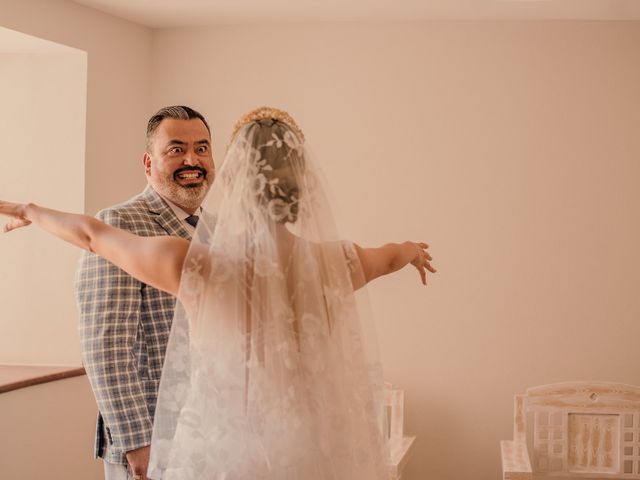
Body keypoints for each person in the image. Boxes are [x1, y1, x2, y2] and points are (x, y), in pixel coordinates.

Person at [0, 106, 435, 480]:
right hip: (306, 448)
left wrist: (28, 211)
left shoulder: (198, 265)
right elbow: (390, 255)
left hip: (223, 453)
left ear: (235, 181)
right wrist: (413, 250)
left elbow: (92, 236)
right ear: (303, 186)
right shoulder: (339, 262)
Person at [74, 105, 214, 480]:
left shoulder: (221, 229)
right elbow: (105, 343)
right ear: (148, 163)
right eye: (176, 149)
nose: (192, 159)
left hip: (213, 433)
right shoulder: (119, 222)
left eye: (202, 148)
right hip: (152, 437)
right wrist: (137, 441)